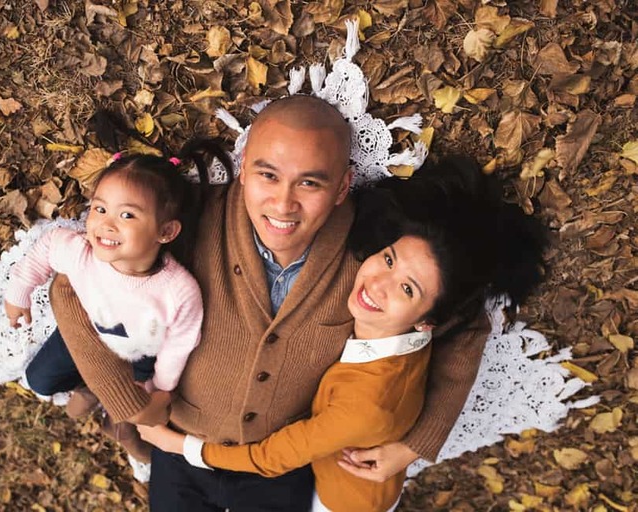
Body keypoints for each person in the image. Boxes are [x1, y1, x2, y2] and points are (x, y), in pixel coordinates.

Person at [49, 96, 492, 511]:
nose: (283, 203)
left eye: (310, 183)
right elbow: (69, 285)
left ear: (342, 187)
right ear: (242, 169)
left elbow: (465, 319)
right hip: (179, 441)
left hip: (280, 465)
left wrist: (417, 442)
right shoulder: (191, 221)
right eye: (267, 175)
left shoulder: (373, 252)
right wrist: (127, 404)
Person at [137, 156, 547, 512]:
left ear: (430, 321)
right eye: (388, 259)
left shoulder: (371, 398)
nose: (379, 285)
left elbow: (273, 457)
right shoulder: (371, 280)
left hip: (343, 498)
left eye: (408, 289)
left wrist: (178, 447)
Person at [3, 153, 203, 463]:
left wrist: (163, 388)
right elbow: (46, 247)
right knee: (40, 380)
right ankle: (93, 386)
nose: (105, 224)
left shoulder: (177, 290)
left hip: (139, 355)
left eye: (127, 216)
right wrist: (19, 292)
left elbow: (180, 344)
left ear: (165, 232)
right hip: (85, 335)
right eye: (99, 208)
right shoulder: (81, 251)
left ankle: (108, 402)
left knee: (137, 415)